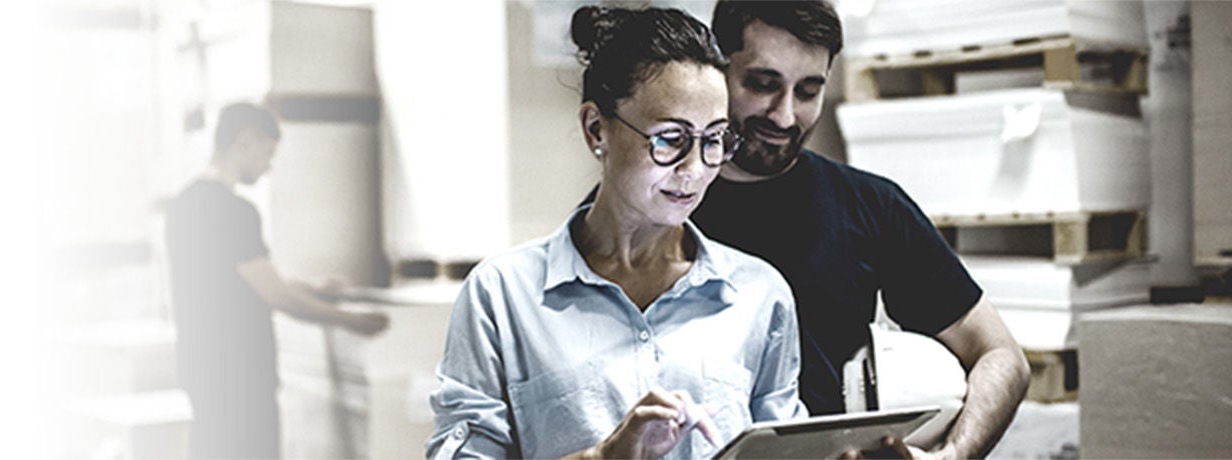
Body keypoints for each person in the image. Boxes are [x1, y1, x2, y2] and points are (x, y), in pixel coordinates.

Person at [425, 6, 807, 459]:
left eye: (713, 140)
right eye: (670, 139)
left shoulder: (759, 295)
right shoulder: (504, 296)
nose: (695, 169)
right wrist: (603, 458)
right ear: (595, 130)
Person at [693, 1, 1032, 458]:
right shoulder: (655, 205)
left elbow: (1001, 356)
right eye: (762, 84)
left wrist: (950, 458)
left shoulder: (869, 206)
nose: (785, 116)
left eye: (808, 92)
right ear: (717, 66)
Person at [164, 102, 389, 459]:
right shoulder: (234, 211)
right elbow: (277, 295)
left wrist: (314, 289)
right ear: (246, 141)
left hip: (203, 370)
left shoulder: (183, 204)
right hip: (240, 377)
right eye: (268, 153)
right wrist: (353, 321)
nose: (268, 167)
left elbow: (238, 283)